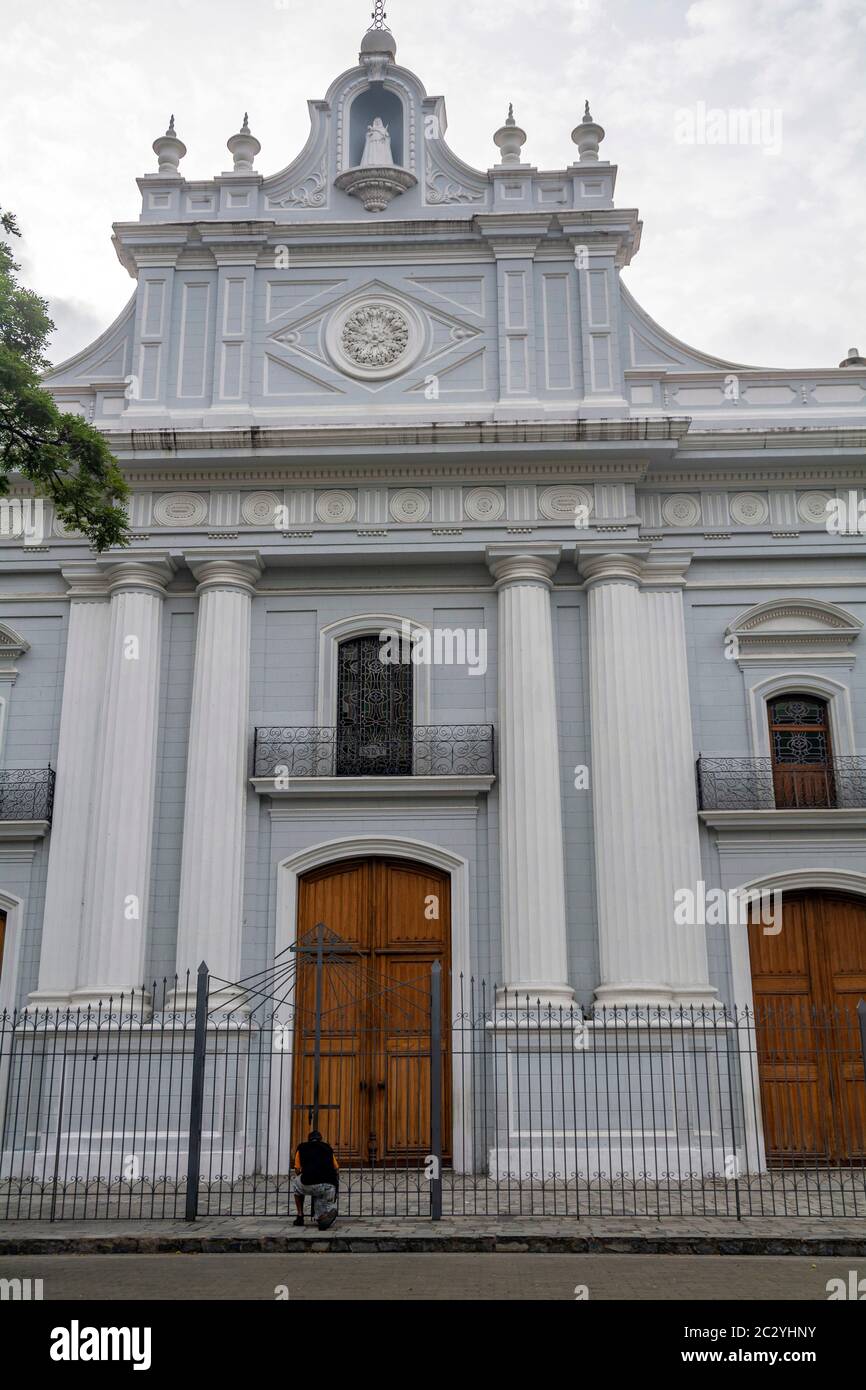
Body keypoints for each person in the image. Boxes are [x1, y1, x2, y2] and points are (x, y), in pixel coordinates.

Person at [292, 1130, 340, 1230]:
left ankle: (300, 1215)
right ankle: (322, 1217)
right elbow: (336, 1168)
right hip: (329, 1185)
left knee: (296, 1183)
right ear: (321, 1139)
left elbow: (297, 1169)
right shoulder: (327, 1148)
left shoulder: (302, 1148)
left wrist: (305, 1173)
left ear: (308, 1140)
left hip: (309, 1182)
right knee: (322, 1201)